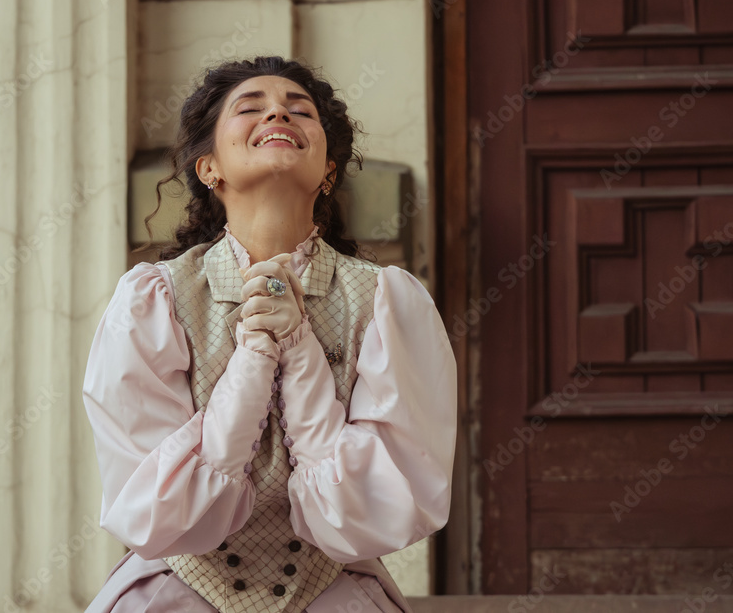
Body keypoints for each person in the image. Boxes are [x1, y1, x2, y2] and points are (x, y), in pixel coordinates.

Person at [82, 56, 457, 612]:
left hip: (333, 590)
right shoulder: (152, 300)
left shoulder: (385, 301)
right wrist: (254, 357)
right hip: (174, 593)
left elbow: (389, 499)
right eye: (250, 107)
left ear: (328, 167)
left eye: (299, 109)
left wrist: (302, 352)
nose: (278, 111)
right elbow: (151, 506)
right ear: (209, 168)